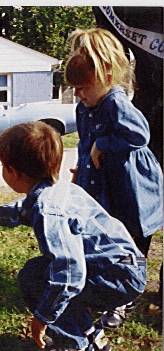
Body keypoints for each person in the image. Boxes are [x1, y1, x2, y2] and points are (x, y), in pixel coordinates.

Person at [0, 121, 146, 351]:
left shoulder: (50, 212)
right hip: (126, 267)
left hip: (116, 277)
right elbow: (22, 209)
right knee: (37, 271)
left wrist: (42, 318)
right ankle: (91, 336)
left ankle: (73, 345)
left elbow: (69, 275)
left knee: (39, 280)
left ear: (13, 171)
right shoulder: (59, 190)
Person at [65, 28, 163, 327]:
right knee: (105, 237)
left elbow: (138, 134)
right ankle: (104, 289)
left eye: (83, 88)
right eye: (75, 90)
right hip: (104, 183)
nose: (79, 95)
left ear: (106, 78)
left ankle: (125, 297)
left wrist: (103, 144)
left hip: (131, 185)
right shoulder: (85, 106)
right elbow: (86, 143)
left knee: (130, 238)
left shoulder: (116, 102)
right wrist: (81, 169)